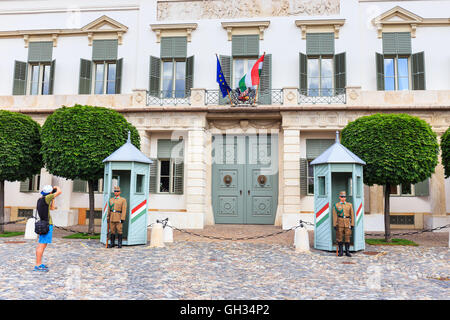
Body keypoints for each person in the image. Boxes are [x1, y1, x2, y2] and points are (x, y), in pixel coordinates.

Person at [34, 185, 62, 272]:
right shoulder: (47, 198)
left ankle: (39, 263)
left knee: (42, 244)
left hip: (43, 223)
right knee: (41, 245)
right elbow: (59, 191)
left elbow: (52, 208)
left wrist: (53, 199)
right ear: (49, 193)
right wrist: (56, 187)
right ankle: (38, 265)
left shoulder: (41, 199)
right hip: (46, 224)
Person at [332, 191, 355, 257]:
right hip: (340, 223)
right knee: (340, 237)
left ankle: (347, 251)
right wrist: (334, 224)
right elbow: (335, 215)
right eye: (342, 197)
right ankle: (341, 251)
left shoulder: (349, 205)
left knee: (347, 237)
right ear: (339, 197)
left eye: (344, 197)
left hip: (347, 223)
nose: (343, 198)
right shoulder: (336, 205)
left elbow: (352, 215)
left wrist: (352, 223)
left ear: (345, 198)